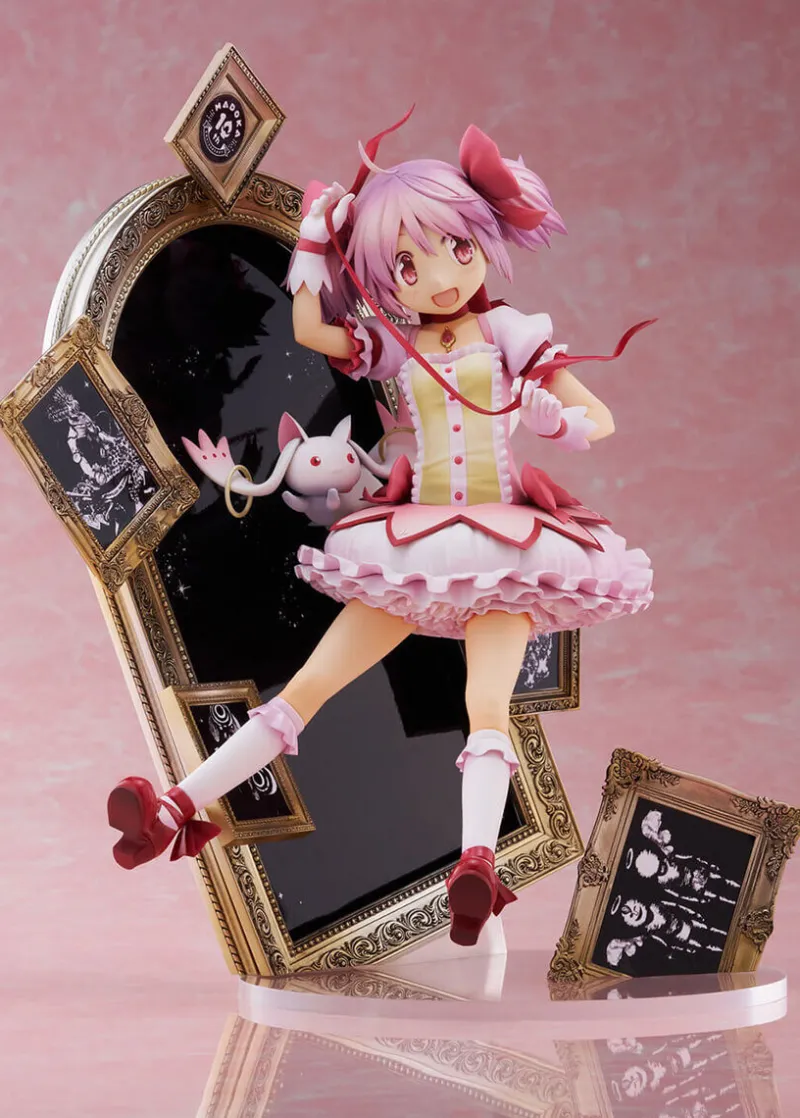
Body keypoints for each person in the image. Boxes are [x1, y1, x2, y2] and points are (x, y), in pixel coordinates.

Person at [108, 110, 654, 946]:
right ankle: (175, 808)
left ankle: (476, 863)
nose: (438, 275)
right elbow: (309, 328)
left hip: (506, 547)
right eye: (407, 263)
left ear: (482, 238)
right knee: (308, 687)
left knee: (485, 701)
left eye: (456, 248)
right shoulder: (395, 344)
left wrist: (556, 421)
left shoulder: (511, 333)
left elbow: (601, 419)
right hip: (416, 544)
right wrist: (313, 243)